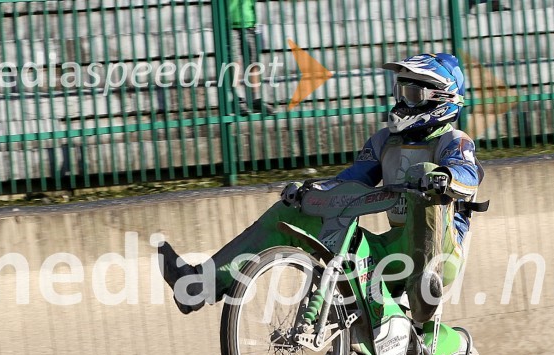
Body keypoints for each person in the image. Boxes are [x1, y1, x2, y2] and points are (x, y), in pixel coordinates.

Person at [159, 53, 486, 325]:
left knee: (424, 172)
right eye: (400, 91)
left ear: (439, 98)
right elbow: (351, 180)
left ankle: (421, 295)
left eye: (412, 94)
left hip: (440, 255)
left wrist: (444, 177)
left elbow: (469, 174)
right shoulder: (385, 141)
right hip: (391, 249)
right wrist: (309, 191)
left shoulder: (453, 140)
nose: (402, 101)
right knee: (293, 211)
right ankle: (198, 285)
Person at [229, 0, 275, 114]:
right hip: (231, 24)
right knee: (236, 63)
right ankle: (237, 99)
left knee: (253, 63)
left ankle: (255, 100)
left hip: (250, 24)